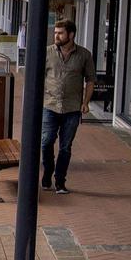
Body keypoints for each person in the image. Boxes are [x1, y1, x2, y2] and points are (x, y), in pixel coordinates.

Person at [41, 18, 95, 194]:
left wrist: (85, 103)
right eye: (55, 32)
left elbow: (90, 80)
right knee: (46, 141)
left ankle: (60, 181)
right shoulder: (47, 52)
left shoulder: (84, 55)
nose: (56, 36)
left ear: (71, 35)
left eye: (60, 33)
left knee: (65, 146)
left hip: (72, 108)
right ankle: (48, 170)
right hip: (50, 105)